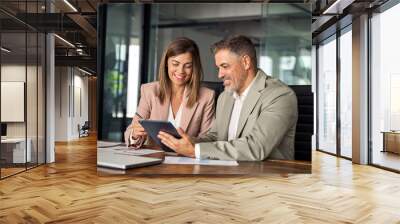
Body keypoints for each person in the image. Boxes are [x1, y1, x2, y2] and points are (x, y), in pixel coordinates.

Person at [158, 35, 298, 161]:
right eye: (218, 68)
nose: (220, 74)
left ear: (245, 62)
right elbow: (215, 137)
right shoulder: (225, 97)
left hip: (267, 180)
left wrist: (196, 150)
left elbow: (256, 147)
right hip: (227, 174)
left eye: (225, 66)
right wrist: (191, 142)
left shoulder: (280, 96)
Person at [125, 37, 215, 148]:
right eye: (175, 64)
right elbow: (131, 131)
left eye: (188, 66)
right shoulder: (149, 91)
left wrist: (189, 142)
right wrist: (134, 135)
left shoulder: (207, 96)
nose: (181, 71)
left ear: (194, 68)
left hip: (187, 160)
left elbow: (209, 140)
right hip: (153, 159)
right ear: (167, 63)